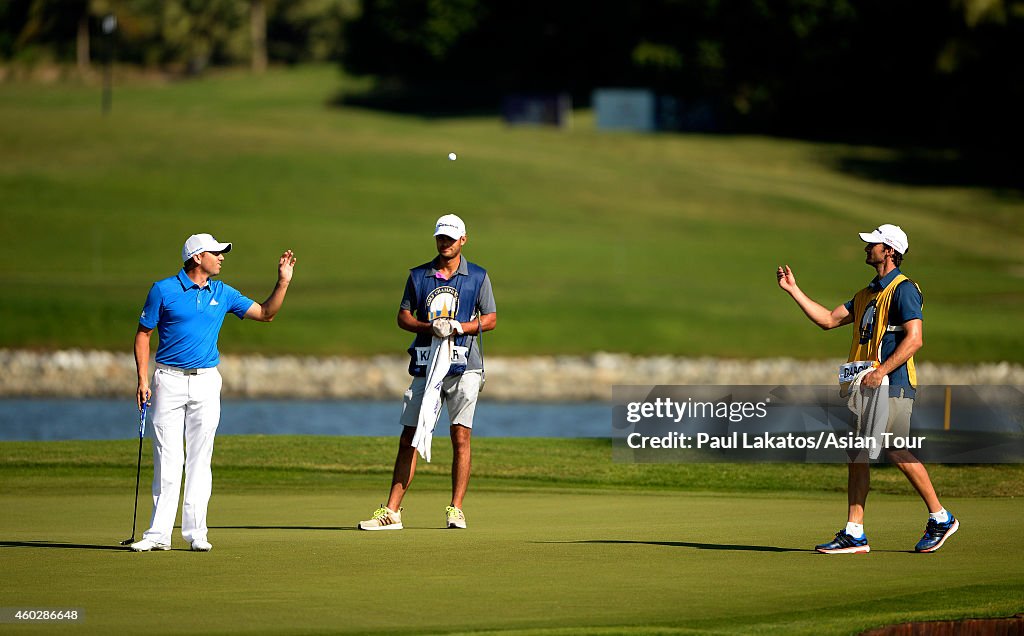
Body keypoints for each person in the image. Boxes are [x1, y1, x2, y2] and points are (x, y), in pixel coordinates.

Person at [776, 224, 958, 554]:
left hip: (893, 384)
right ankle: (854, 532)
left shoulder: (903, 289)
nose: (866, 248)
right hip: (865, 386)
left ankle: (941, 517)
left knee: (895, 448)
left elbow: (914, 339)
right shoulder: (866, 294)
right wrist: (793, 290)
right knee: (857, 454)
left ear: (889, 251)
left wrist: (882, 371)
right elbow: (828, 320)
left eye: (873, 244)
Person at [130, 234, 296, 552]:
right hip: (168, 380)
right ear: (196, 257)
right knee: (167, 457)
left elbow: (266, 314)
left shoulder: (223, 292)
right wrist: (142, 379)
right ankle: (158, 534)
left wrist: (283, 282)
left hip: (206, 381)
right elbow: (143, 334)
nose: (221, 257)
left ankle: (196, 533)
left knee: (199, 459)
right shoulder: (162, 289)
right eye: (215, 253)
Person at [359, 214, 497, 531]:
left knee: (460, 436)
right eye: (440, 238)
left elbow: (490, 319)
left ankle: (455, 509)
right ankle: (392, 511)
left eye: (450, 238)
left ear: (463, 240)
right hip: (426, 364)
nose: (444, 243)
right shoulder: (419, 275)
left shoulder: (477, 276)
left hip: (466, 367)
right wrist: (429, 327)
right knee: (409, 436)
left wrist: (460, 326)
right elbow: (403, 317)